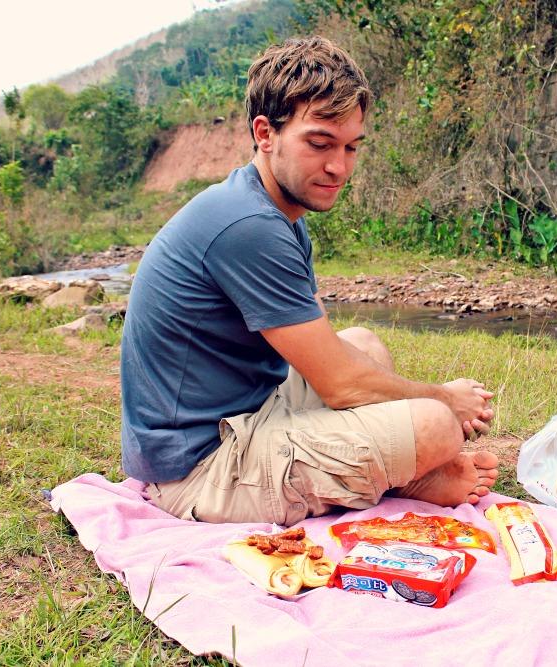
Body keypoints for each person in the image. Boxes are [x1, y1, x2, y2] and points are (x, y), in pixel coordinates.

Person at [120, 36, 498, 526]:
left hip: (248, 413)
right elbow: (339, 386)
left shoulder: (279, 213)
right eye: (319, 144)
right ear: (265, 133)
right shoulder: (248, 226)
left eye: (351, 148)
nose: (338, 167)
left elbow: (327, 351)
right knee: (436, 425)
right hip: (201, 467)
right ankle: (412, 471)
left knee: (364, 343)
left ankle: (403, 472)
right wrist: (446, 398)